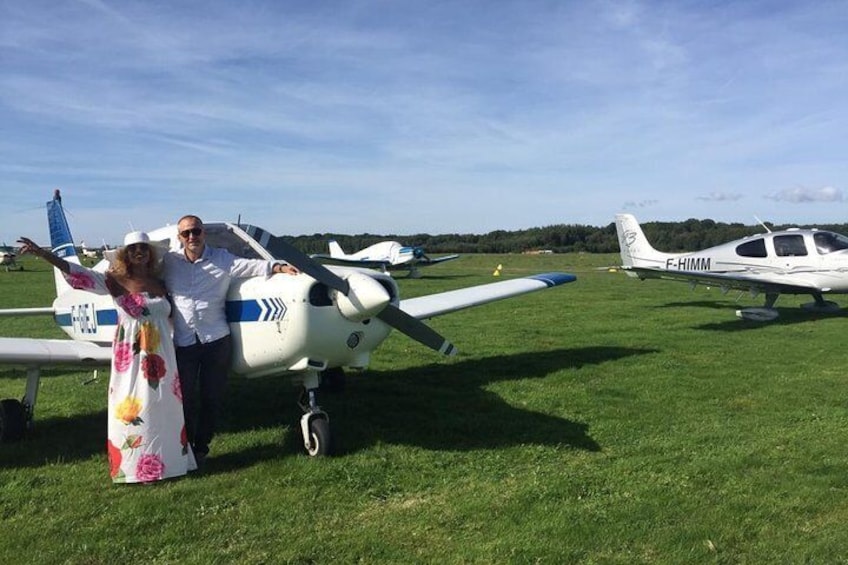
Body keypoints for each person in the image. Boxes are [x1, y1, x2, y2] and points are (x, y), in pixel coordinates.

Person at [18, 232, 196, 484]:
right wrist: (44, 255)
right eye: (133, 249)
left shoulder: (161, 283)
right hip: (133, 356)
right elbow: (79, 274)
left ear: (150, 254)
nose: (139, 253)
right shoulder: (115, 281)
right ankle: (138, 466)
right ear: (125, 254)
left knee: (164, 405)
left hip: (163, 355)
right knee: (135, 406)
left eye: (143, 248)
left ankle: (173, 462)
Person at [162, 215, 298, 467]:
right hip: (184, 343)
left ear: (203, 233)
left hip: (216, 341)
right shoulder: (169, 262)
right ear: (180, 238)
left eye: (196, 231)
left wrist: (278, 267)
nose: (192, 236)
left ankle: (201, 448)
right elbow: (141, 272)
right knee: (185, 400)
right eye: (186, 233)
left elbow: (251, 266)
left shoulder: (222, 258)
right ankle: (186, 448)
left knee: (212, 398)